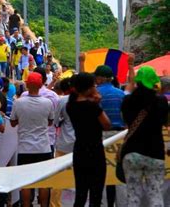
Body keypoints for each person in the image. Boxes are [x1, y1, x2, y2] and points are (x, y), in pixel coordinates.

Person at [121, 66, 168, 207]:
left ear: (138, 80)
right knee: (155, 194)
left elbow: (125, 121)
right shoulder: (161, 101)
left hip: (131, 152)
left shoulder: (128, 100)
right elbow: (165, 121)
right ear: (153, 80)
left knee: (133, 195)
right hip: (155, 152)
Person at [66, 73, 111, 207]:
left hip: (79, 150)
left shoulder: (71, 105)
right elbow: (107, 124)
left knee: (81, 192)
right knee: (96, 193)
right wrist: (97, 102)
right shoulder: (93, 106)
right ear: (89, 87)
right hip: (95, 150)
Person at [11, 72, 54, 207]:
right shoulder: (48, 103)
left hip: (25, 148)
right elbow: (50, 122)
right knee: (44, 182)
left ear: (27, 85)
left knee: (25, 183)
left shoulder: (18, 102)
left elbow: (12, 123)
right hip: (44, 147)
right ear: (41, 85)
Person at [93, 65, 125, 206]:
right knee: (119, 173)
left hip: (101, 136)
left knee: (102, 173)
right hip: (119, 136)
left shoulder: (95, 94)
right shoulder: (121, 94)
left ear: (100, 78)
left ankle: (105, 204)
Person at [50, 78, 75, 207]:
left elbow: (55, 121)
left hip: (64, 142)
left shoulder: (62, 101)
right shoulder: (84, 99)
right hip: (80, 143)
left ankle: (55, 204)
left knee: (58, 174)